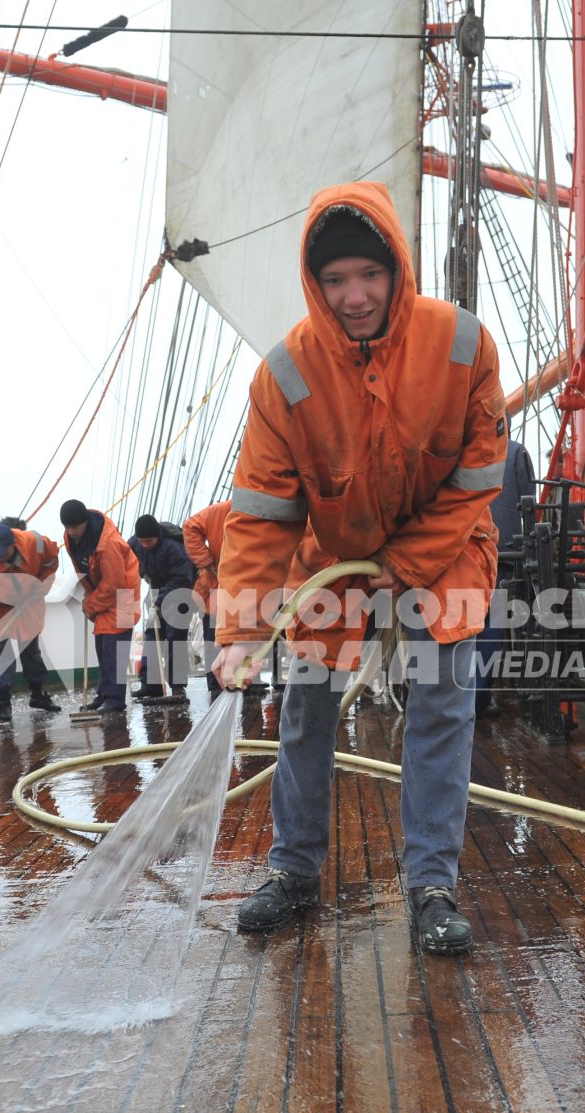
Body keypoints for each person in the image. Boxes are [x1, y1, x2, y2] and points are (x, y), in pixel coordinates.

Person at [211, 182, 506, 955]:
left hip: (445, 545)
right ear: (315, 283)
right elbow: (264, 512)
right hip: (334, 556)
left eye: (369, 276)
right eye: (335, 279)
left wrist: (404, 567)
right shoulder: (284, 377)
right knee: (306, 702)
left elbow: (476, 481)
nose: (354, 296)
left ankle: (432, 884)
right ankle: (295, 870)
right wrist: (242, 629)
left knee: (441, 698)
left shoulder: (464, 346)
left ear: (397, 271)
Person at [0, 518, 63, 720]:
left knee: (31, 652)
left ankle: (38, 695)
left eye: (3, 553)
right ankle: (3, 703)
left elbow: (51, 561)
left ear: (13, 545)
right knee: (0, 653)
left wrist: (40, 585)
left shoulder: (36, 543)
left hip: (28, 602)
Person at [473, 436, 536, 716]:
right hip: (501, 554)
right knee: (490, 627)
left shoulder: (458, 447)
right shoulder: (516, 452)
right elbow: (529, 504)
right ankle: (479, 698)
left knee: (460, 626)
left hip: (459, 552)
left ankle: (459, 701)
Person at [60, 499, 141, 715]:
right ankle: (104, 695)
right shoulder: (70, 539)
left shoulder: (109, 544)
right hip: (102, 592)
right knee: (102, 644)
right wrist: (90, 595)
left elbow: (114, 584)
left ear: (85, 523)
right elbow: (83, 569)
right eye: (67, 527)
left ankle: (115, 700)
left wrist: (91, 605)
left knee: (114, 649)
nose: (71, 531)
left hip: (123, 592)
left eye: (75, 527)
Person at [130, 513, 197, 702]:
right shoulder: (135, 543)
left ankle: (177, 687)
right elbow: (128, 561)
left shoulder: (173, 548)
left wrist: (159, 602)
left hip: (180, 591)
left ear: (157, 536)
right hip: (156, 589)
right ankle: (150, 685)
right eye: (141, 541)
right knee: (151, 636)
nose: (144, 545)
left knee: (175, 638)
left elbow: (182, 578)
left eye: (148, 541)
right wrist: (142, 573)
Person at [183, 499, 236, 696]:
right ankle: (215, 685)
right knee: (212, 633)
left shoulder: (261, 511)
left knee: (244, 633)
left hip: (242, 587)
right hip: (215, 585)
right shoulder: (219, 511)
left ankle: (246, 682)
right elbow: (190, 526)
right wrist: (206, 562)